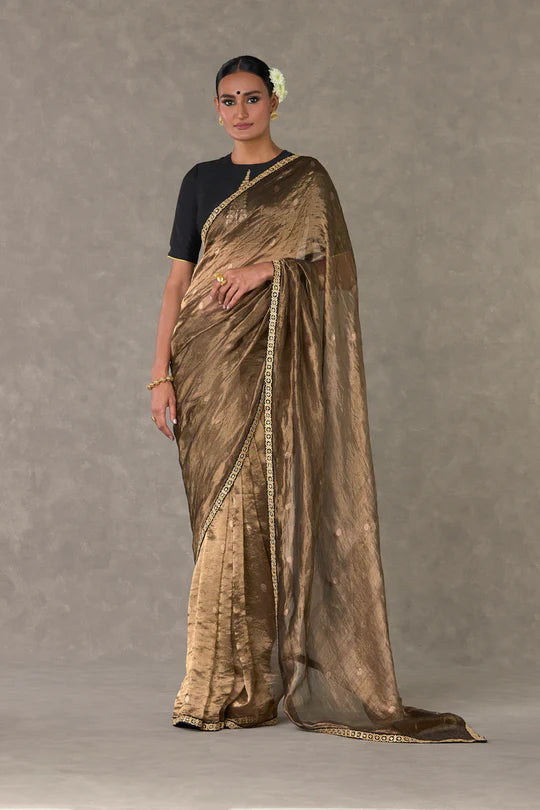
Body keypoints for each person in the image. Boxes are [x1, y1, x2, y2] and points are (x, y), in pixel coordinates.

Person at [148, 54, 487, 743]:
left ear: (274, 101)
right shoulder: (199, 181)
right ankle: (236, 684)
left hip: (267, 360)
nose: (240, 111)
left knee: (248, 509)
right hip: (204, 359)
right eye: (227, 100)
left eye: (252, 97)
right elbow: (177, 282)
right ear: (216, 108)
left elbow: (337, 270)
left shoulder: (306, 178)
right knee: (215, 517)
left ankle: (226, 690)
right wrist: (161, 374)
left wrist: (267, 267)